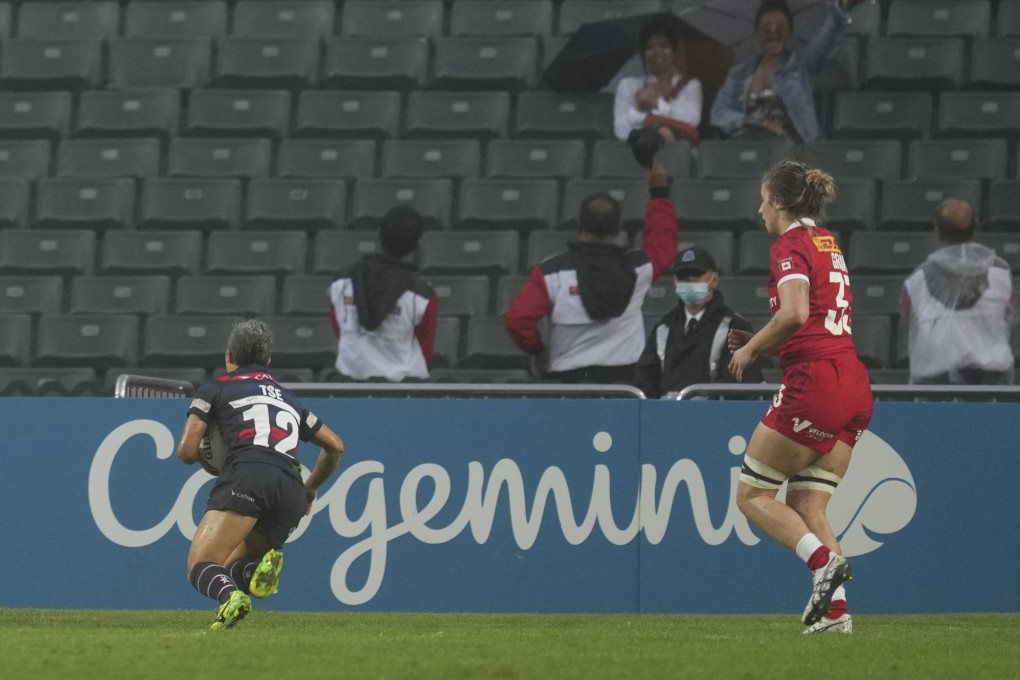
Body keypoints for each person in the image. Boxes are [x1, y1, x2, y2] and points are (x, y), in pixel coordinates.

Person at [727, 160, 873, 634]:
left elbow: (794, 314)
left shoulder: (789, 244)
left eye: (764, 198)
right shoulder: (827, 242)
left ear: (782, 202)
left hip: (816, 383)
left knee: (752, 496)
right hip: (852, 381)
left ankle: (822, 564)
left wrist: (751, 348)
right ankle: (836, 616)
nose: (759, 209)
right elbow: (812, 318)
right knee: (809, 508)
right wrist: (770, 339)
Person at [176, 319, 345, 629]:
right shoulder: (288, 399)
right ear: (268, 361)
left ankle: (231, 599)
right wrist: (309, 490)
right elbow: (335, 446)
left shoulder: (215, 388)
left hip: (248, 474)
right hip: (291, 489)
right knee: (230, 565)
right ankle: (252, 575)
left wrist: (209, 456)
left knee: (201, 565)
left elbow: (186, 452)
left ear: (229, 355)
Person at [505, 162, 678, 384]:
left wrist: (537, 351)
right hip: (625, 384)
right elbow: (663, 242)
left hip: (566, 384)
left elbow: (518, 320)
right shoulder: (639, 269)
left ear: (579, 225)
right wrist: (659, 193)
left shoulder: (551, 274)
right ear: (619, 227)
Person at [709, 0, 862, 143]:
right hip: (752, 150)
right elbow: (718, 114)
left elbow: (826, 39)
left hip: (795, 149)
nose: (773, 29)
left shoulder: (801, 65)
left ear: (790, 33)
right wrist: (758, 123)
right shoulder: (738, 75)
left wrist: (842, 7)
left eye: (780, 25)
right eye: (766, 25)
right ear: (757, 34)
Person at [902, 199, 1016, 385]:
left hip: (934, 381)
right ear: (976, 226)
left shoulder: (917, 280)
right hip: (991, 380)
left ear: (936, 231)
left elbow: (909, 319)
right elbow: (1009, 317)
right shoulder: (1001, 273)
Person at [634, 246, 762, 398]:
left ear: (714, 280)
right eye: (683, 276)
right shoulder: (663, 328)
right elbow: (645, 380)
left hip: (715, 417)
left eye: (696, 274)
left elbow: (737, 384)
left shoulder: (735, 326)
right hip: (666, 416)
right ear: (675, 282)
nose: (689, 280)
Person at [328, 205, 438, 382]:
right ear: (417, 246)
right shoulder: (422, 297)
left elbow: (339, 329)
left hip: (349, 387)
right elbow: (425, 349)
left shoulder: (341, 282)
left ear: (379, 236)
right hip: (406, 392)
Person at [613, 13, 703, 146]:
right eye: (650, 47)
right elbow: (621, 132)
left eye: (664, 46)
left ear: (674, 52)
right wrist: (639, 109)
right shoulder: (627, 85)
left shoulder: (690, 85)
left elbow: (691, 122)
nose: (657, 52)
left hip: (675, 154)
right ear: (643, 54)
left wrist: (656, 106)